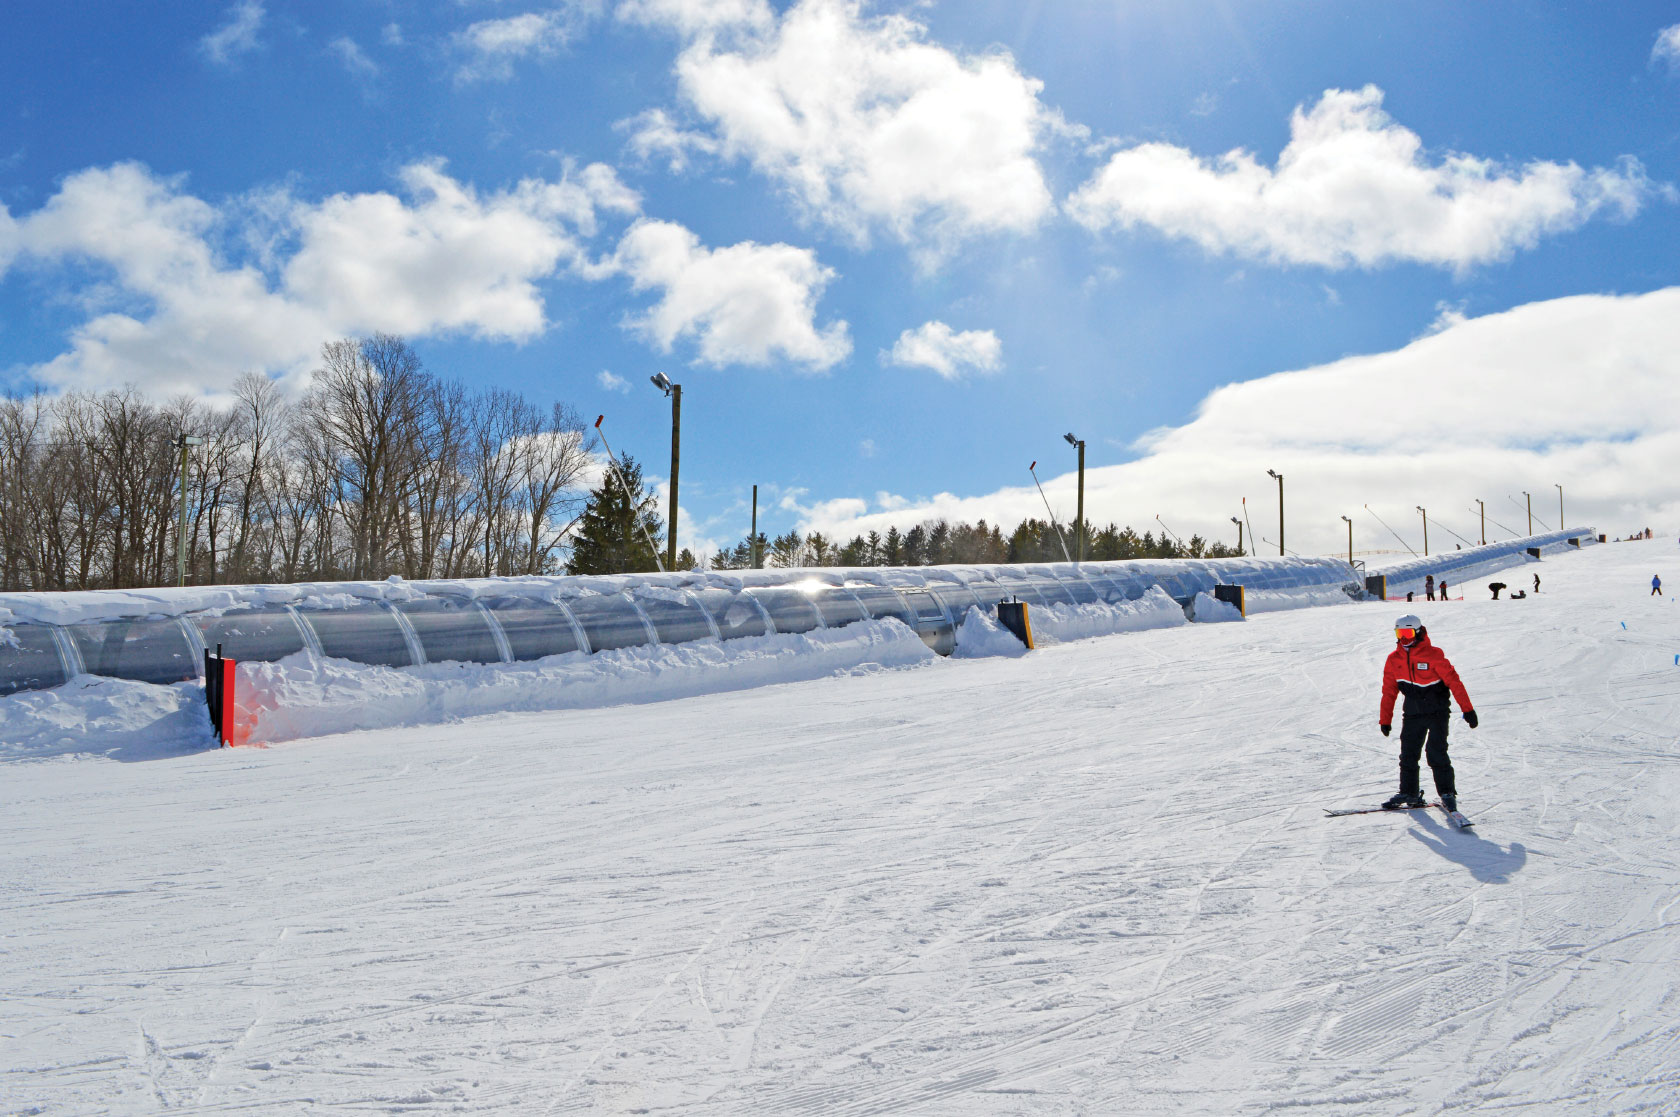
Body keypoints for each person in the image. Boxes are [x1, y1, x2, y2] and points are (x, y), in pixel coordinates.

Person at [1379, 614, 1477, 811]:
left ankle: (1447, 793)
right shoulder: (1393, 660)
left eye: (1407, 633)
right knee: (1408, 754)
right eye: (1400, 634)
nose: (1404, 639)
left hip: (1437, 712)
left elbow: (1454, 682)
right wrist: (1385, 719)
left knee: (1436, 753)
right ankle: (1409, 792)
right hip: (1413, 713)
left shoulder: (1433, 655)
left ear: (1418, 632)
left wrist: (1468, 709)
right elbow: (1389, 691)